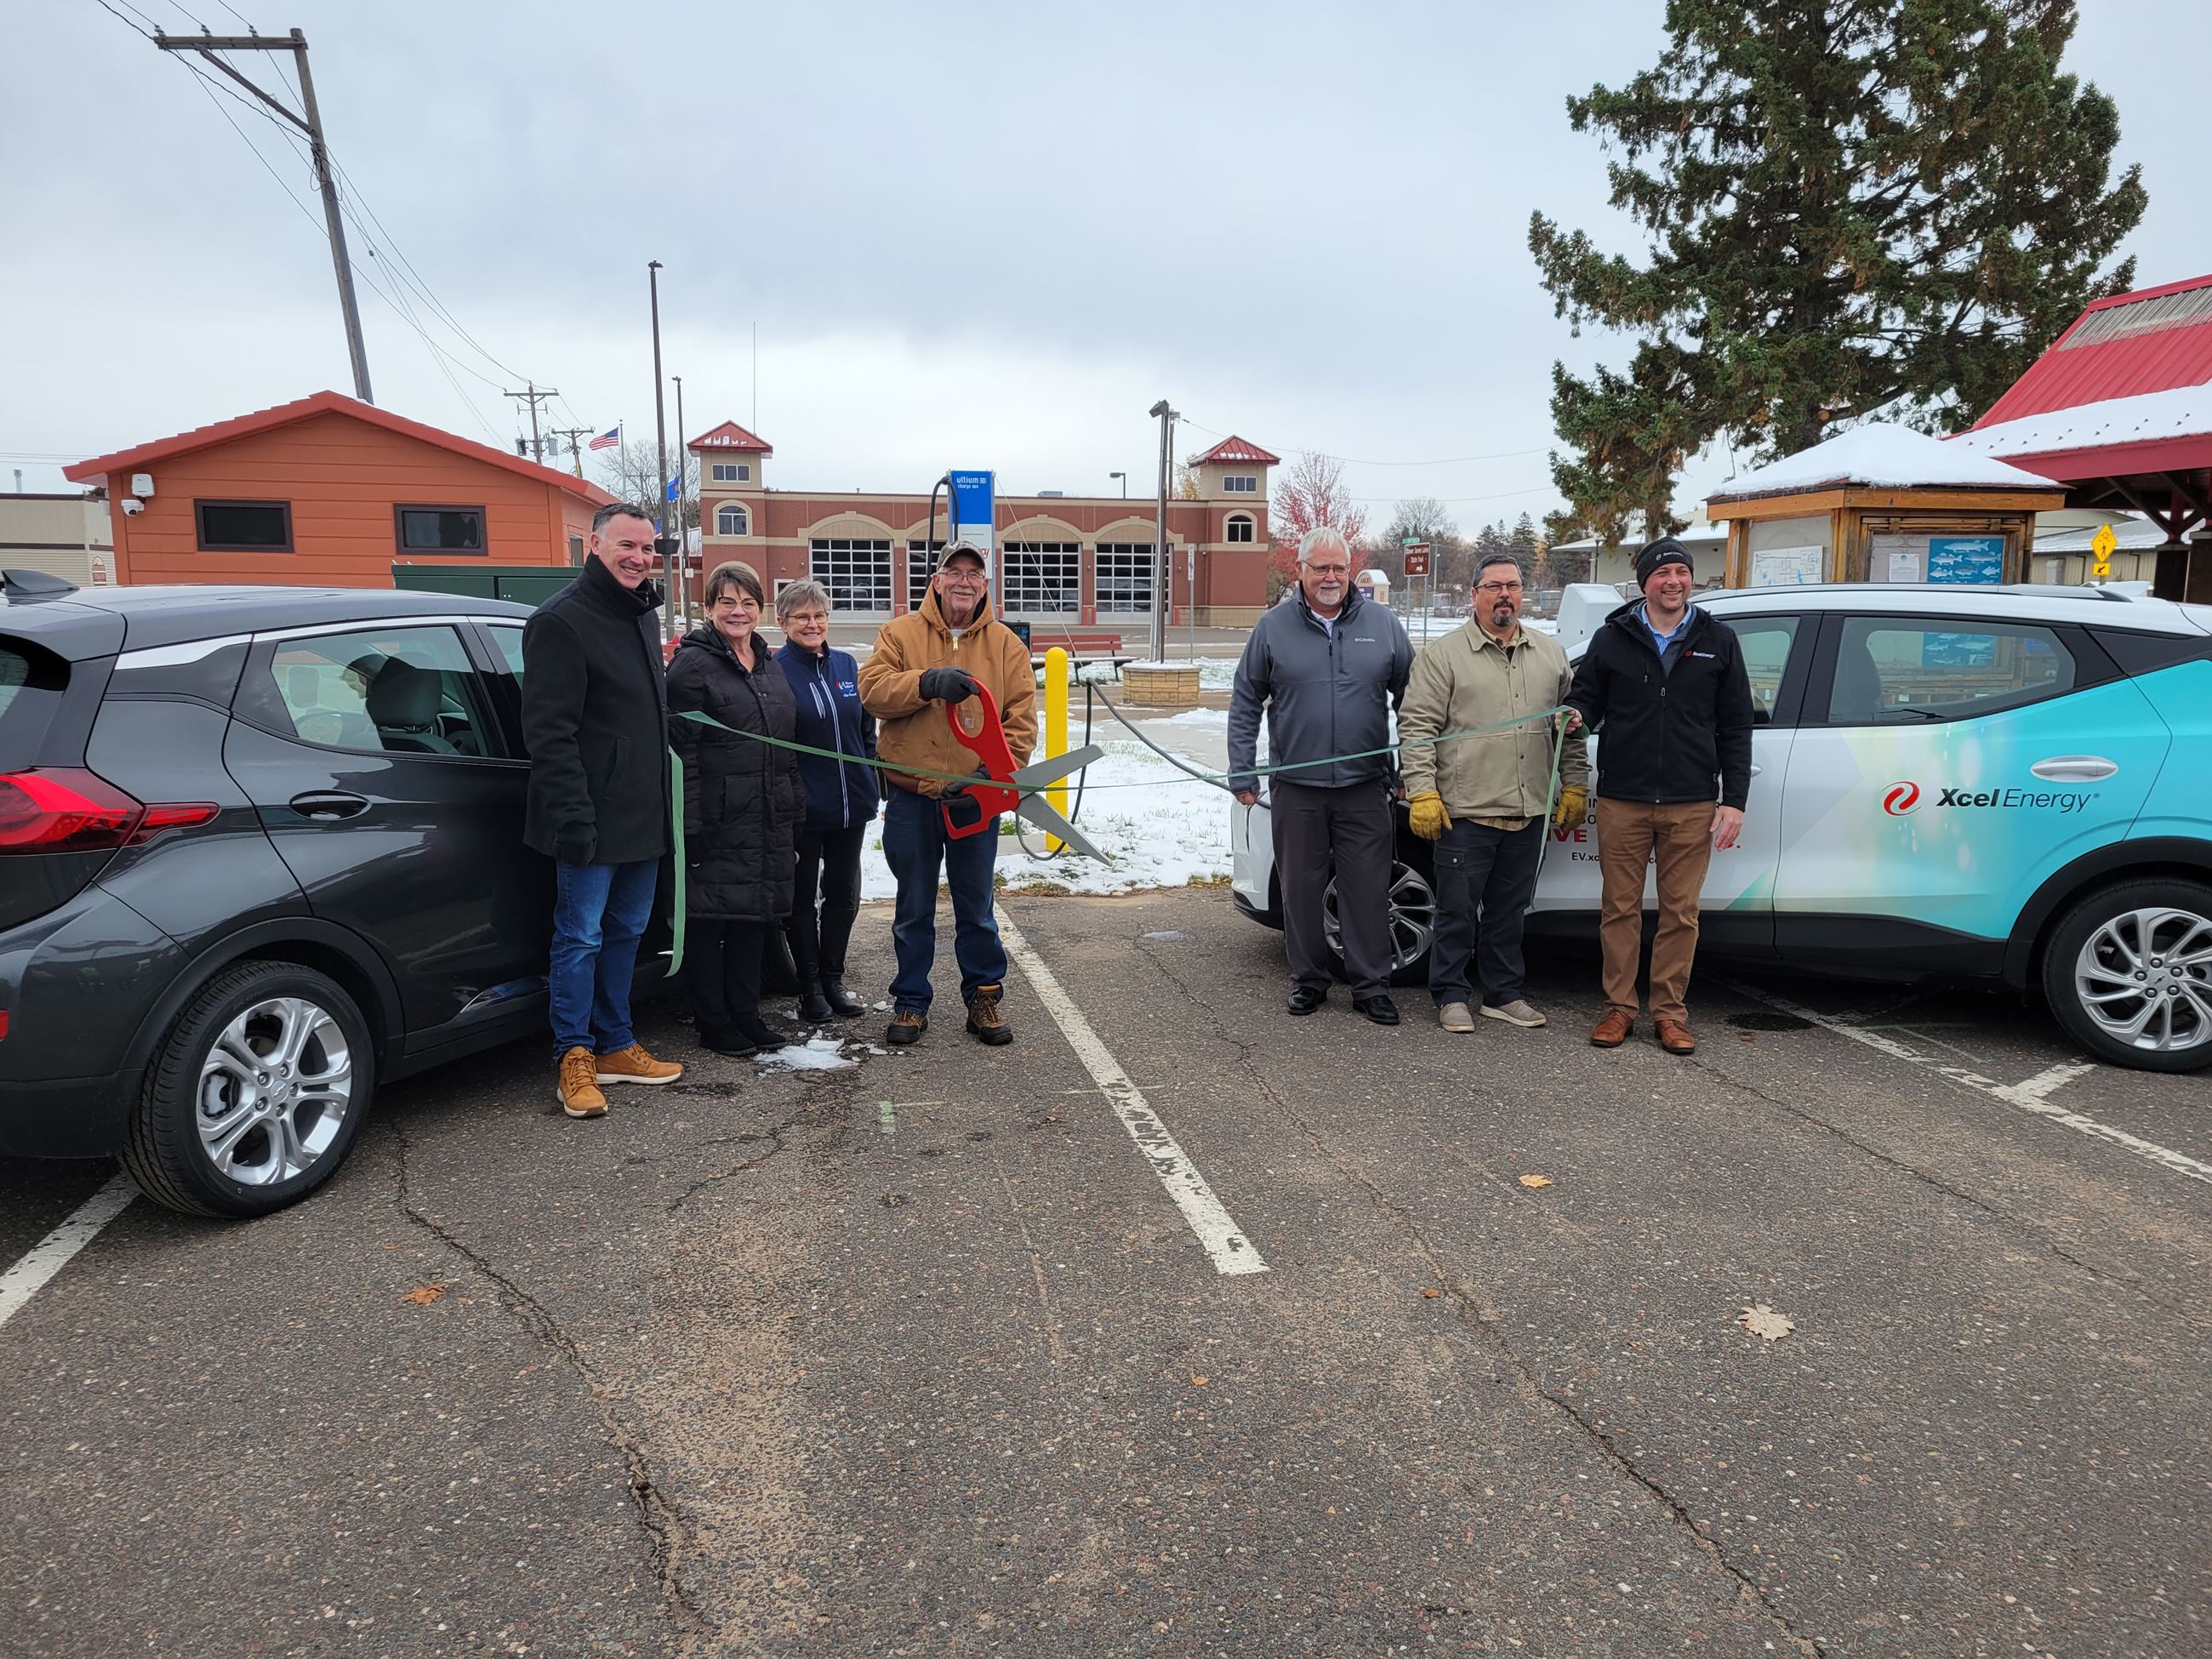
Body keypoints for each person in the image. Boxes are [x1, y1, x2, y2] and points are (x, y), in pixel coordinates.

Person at [521, 502, 685, 1118]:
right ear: (594, 544)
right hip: (587, 818)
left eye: (648, 549)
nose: (640, 559)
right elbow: (549, 734)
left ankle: (616, 1042)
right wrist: (573, 819)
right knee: (579, 938)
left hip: (642, 814)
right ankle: (574, 1056)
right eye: (627, 546)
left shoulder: (640, 615)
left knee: (626, 933)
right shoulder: (561, 621)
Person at [1565, 535, 1753, 1055]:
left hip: (1691, 801)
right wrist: (1577, 715)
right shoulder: (1613, 637)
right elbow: (1587, 699)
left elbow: (1737, 726)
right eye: (1662, 573)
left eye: (1682, 572)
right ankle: (1619, 1008)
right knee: (1619, 909)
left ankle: (1670, 1014)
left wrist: (1733, 799)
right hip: (1623, 797)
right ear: (1645, 582)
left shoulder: (1719, 639)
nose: (1674, 581)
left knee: (1680, 913)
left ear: (1691, 579)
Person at [1228, 526, 1414, 1024]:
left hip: (1365, 785)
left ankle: (1371, 985)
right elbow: (1246, 700)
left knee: (1368, 890)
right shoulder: (1272, 628)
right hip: (1297, 787)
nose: (1331, 577)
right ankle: (1308, 980)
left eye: (1339, 567)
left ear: (1350, 571)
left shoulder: (1384, 624)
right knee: (1301, 890)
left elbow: (1414, 701)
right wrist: (1242, 771)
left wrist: (1409, 767)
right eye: (1320, 568)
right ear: (1301, 572)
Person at [1399, 551, 1588, 1033]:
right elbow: (1417, 728)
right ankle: (1451, 994)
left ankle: (1503, 994)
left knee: (1509, 911)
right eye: (1494, 586)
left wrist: (1574, 786)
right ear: (1475, 594)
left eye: (1514, 586)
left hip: (1528, 810)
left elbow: (1569, 730)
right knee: (1458, 912)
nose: (1505, 595)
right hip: (1466, 812)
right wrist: (1422, 792)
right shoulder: (1443, 656)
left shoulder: (1550, 655)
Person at [858, 539, 1036, 1049]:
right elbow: (873, 692)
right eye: (953, 571)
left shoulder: (1006, 646)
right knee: (913, 907)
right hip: (912, 799)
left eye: (973, 574)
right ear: (935, 581)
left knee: (976, 907)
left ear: (985, 585)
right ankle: (911, 1003)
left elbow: (1021, 723)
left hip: (974, 800)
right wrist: (927, 681)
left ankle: (983, 997)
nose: (963, 580)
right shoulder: (899, 634)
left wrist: (990, 778)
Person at [665, 561, 805, 1058]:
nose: (738, 611)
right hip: (717, 816)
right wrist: (691, 820)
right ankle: (714, 1021)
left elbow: (784, 744)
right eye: (727, 602)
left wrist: (794, 807)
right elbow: (682, 752)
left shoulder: (767, 664)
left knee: (754, 916)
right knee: (711, 921)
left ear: (760, 609)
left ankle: (746, 1013)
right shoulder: (692, 666)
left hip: (766, 814)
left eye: (747, 602)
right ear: (709, 609)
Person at [774, 579, 878, 1023]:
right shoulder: (775, 670)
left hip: (850, 803)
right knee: (801, 899)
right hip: (803, 807)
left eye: (818, 615)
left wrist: (870, 769)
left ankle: (834, 978)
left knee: (843, 895)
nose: (812, 624)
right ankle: (810, 985)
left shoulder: (846, 664)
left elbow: (865, 727)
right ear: (782, 623)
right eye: (801, 617)